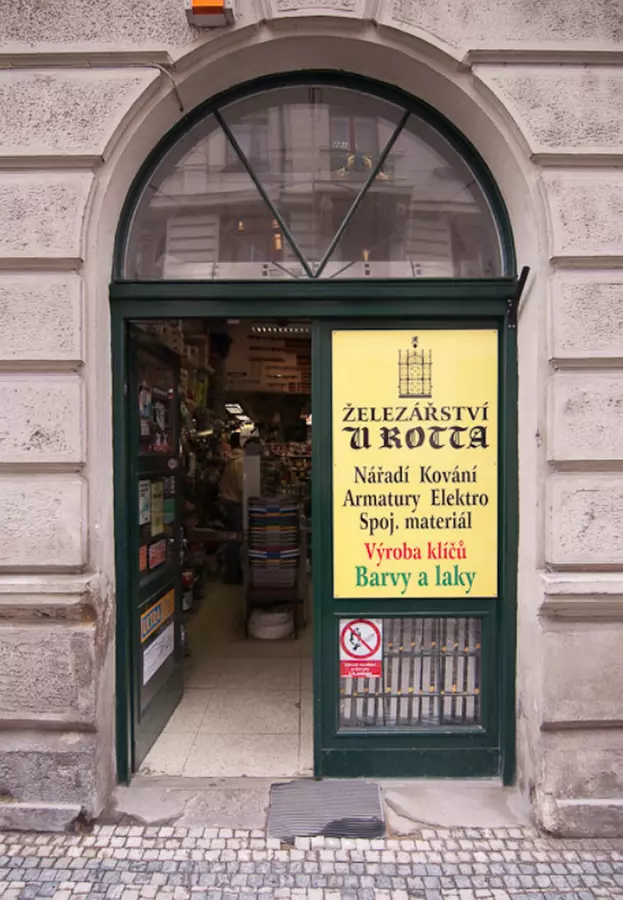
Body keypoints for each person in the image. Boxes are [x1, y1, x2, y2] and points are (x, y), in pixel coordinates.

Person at [220, 431, 245, 584]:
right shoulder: (240, 462)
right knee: (237, 539)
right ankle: (233, 574)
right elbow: (243, 486)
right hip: (236, 503)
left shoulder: (230, 460)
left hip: (228, 501)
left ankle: (231, 571)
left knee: (232, 538)